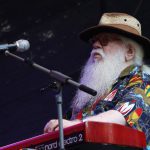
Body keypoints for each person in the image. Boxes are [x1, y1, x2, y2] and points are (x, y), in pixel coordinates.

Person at [44, 12, 150, 149]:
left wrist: (78, 125)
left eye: (105, 40)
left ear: (129, 52)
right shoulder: (92, 93)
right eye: (94, 41)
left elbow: (121, 115)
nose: (96, 45)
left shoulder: (144, 81)